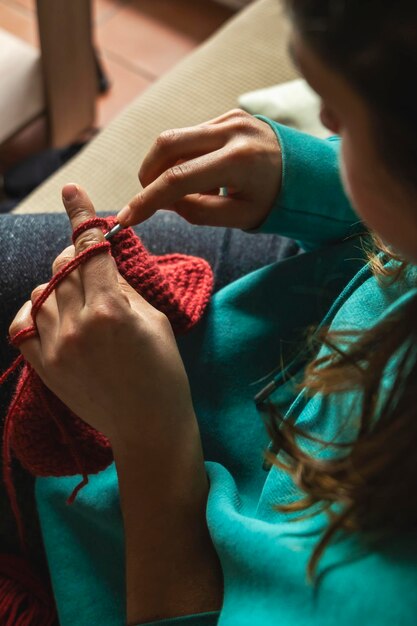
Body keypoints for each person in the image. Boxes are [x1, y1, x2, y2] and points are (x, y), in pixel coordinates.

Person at [6, 0, 417, 624]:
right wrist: (318, 176)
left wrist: (150, 434)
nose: (324, 119)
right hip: (312, 299)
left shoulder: (374, 596)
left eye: (348, 120)